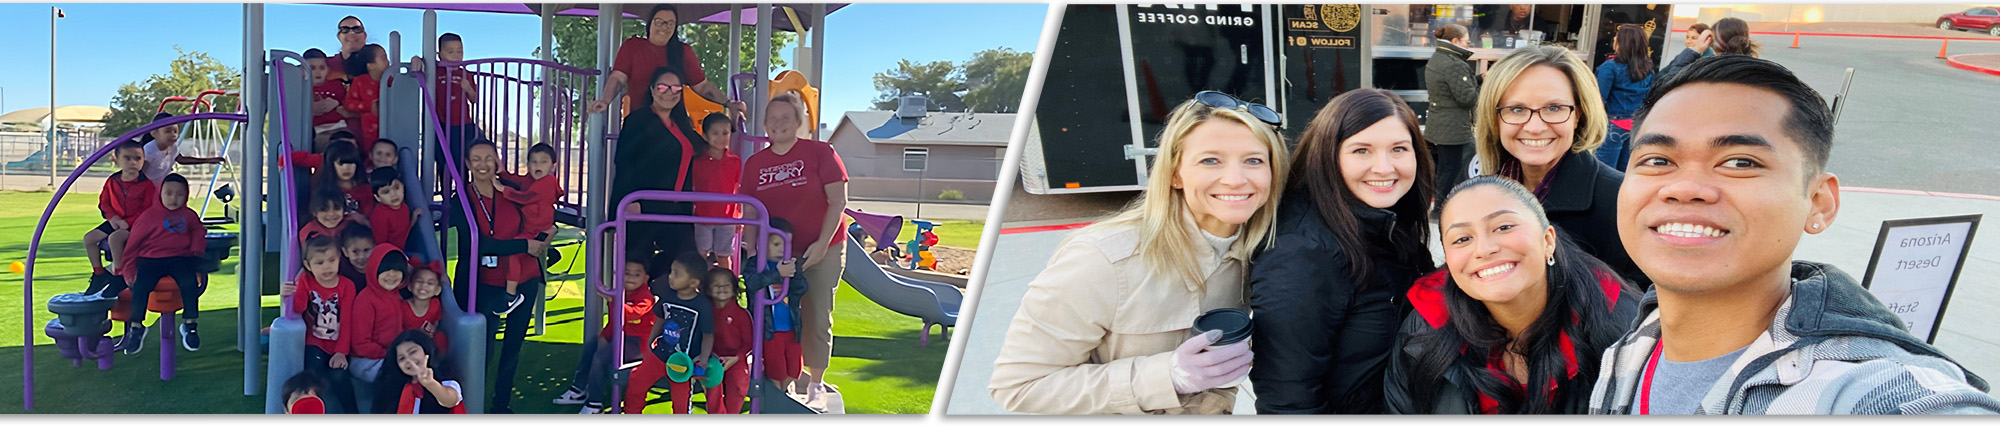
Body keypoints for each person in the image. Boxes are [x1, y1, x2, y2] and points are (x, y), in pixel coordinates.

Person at [1587, 54, 2000, 415]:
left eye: (1741, 162)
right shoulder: (1633, 348)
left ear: (1819, 202)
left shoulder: (1864, 389)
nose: (1684, 187)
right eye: (1658, 159)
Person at [989, 92, 1289, 414]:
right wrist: (1167, 376)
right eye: (1210, 160)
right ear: (1175, 174)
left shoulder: (1261, 253)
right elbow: (1018, 386)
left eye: (1254, 160)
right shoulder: (1101, 259)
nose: (1235, 179)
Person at [1248, 89, 1435, 414]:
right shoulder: (1303, 253)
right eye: (1362, 150)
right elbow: (1288, 399)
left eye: (1399, 149)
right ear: (1328, 156)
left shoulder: (1387, 221)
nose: (1384, 167)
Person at [1383, 176, 1639, 414]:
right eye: (1462, 239)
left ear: (1548, 240)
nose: (1484, 249)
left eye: (1504, 226)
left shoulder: (1625, 328)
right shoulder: (1423, 331)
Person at [1472, 46, 1646, 287]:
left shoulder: (1622, 200)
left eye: (1554, 108)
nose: (1534, 127)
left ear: (1579, 115)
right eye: (1517, 109)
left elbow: (1645, 304)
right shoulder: (1479, 191)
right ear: (1495, 118)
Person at [738, 92, 849, 401]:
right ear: (764, 124)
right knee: (775, 315)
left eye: (786, 118)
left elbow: (838, 201)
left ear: (799, 122)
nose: (779, 124)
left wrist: (822, 245)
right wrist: (752, 252)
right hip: (774, 254)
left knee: (815, 312)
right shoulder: (756, 163)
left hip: (821, 247)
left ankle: (815, 382)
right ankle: (783, 375)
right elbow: (748, 211)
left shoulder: (820, 152)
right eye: (772, 118)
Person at [447, 138, 545, 413]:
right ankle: (466, 405)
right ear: (467, 164)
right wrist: (524, 245)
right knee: (482, 348)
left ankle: (501, 405)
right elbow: (476, 244)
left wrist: (541, 239)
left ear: (497, 161)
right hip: (485, 285)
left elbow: (539, 215)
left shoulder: (512, 190)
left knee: (513, 346)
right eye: (476, 159)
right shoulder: (462, 198)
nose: (482, 165)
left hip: (523, 279)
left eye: (488, 158)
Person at [98, 174, 206, 354]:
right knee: (141, 287)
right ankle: (136, 327)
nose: (174, 198)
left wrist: (196, 254)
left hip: (180, 258)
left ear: (186, 195)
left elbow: (198, 232)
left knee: (189, 284)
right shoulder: (149, 216)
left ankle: (190, 325)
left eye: (179, 194)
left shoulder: (189, 215)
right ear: (160, 193)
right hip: (150, 259)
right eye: (169, 193)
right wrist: (129, 270)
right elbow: (133, 245)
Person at [610, 67, 700, 266]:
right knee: (636, 268)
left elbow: (706, 148)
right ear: (652, 90)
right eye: (662, 87)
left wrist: (732, 117)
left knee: (688, 266)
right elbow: (624, 162)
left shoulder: (682, 124)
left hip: (676, 207)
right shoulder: (638, 120)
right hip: (643, 205)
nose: (669, 92)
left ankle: (662, 296)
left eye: (676, 88)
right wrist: (628, 200)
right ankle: (639, 298)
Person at [589, 4, 744, 118]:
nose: (664, 27)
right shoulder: (633, 46)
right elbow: (617, 78)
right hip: (641, 121)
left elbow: (702, 87)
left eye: (670, 23)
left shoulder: (683, 51)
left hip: (675, 123)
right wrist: (605, 100)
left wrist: (729, 103)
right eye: (659, 21)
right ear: (650, 23)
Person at [552, 255, 656, 414]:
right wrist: (604, 337)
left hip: (638, 343)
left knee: (600, 357)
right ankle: (578, 388)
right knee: (591, 346)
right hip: (622, 337)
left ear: (645, 278)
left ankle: (595, 402)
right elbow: (614, 322)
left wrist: (614, 301)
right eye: (627, 273)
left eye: (637, 274)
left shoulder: (645, 297)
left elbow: (633, 314)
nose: (631, 278)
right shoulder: (621, 293)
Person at [626, 251, 715, 414]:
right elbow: (660, 318)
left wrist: (703, 357)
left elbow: (708, 334)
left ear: (693, 282)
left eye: (677, 274)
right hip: (660, 354)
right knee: (636, 380)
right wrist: (650, 342)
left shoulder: (702, 305)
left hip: (684, 363)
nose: (670, 277)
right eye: (672, 271)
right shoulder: (667, 296)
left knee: (680, 401)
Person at [290, 235, 358, 413]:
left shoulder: (346, 286)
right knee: (312, 370)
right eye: (319, 263)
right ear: (307, 265)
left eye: (331, 260)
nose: (327, 267)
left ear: (339, 260)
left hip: (338, 344)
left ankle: (353, 414)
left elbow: (348, 320)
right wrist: (291, 292)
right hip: (315, 342)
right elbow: (298, 308)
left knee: (340, 376)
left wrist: (341, 352)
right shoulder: (306, 281)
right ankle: (313, 411)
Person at [496, 143, 560, 316]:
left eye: (543, 162)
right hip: (534, 228)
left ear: (553, 166)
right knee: (525, 255)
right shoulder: (532, 180)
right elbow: (519, 180)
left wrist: (502, 189)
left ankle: (510, 295)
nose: (537, 166)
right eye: (533, 162)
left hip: (535, 231)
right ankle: (548, 251)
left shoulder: (547, 182)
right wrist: (502, 172)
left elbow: (526, 198)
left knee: (514, 251)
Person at [348, 244, 411, 413]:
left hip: (389, 355)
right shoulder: (365, 300)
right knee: (400, 374)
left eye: (397, 270)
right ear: (374, 269)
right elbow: (360, 344)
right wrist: (391, 354)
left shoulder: (396, 296)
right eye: (386, 270)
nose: (391, 275)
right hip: (365, 361)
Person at [85, 141, 154, 294]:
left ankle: (119, 275)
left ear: (143, 160)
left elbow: (147, 210)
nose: (133, 163)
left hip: (136, 224)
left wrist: (127, 222)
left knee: (115, 239)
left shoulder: (146, 185)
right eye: (127, 158)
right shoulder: (113, 181)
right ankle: (98, 273)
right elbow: (104, 202)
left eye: (137, 158)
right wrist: (113, 219)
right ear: (116, 159)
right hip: (115, 220)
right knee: (89, 239)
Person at [1424, 23, 1480, 209]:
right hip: (1452, 128)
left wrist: (1479, 79)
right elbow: (1467, 98)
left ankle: (1435, 204)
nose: (1468, 45)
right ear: (1455, 41)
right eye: (1466, 41)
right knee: (1451, 170)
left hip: (1437, 124)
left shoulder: (1438, 58)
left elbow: (1450, 87)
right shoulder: (1455, 64)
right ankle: (1441, 208)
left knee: (1441, 169)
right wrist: (1484, 89)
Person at [745, 218, 805, 392]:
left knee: (794, 368)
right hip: (770, 330)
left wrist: (794, 276)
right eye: (777, 244)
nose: (782, 249)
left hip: (792, 328)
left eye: (786, 244)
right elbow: (752, 283)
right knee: (776, 368)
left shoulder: (791, 264)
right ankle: (778, 395)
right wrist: (776, 273)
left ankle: (786, 391)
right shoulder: (756, 264)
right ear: (762, 243)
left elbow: (802, 289)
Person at [1593, 24, 1656, 172]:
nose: (1614, 39)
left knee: (1605, 172)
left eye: (1617, 37)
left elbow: (1599, 99)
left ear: (1623, 43)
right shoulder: (1648, 68)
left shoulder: (1609, 67)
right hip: (1634, 125)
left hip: (1613, 124)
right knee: (1625, 172)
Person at [690, 112, 743, 269]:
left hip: (726, 217)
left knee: (724, 254)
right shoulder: (697, 161)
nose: (721, 137)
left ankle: (728, 287)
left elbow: (737, 188)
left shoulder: (735, 161)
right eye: (715, 133)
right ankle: (699, 285)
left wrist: (739, 216)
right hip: (702, 216)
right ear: (705, 135)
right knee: (700, 253)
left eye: (725, 133)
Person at [374, 330, 466, 414]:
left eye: (412, 352)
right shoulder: (391, 385)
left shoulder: (444, 374)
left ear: (425, 349)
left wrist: (431, 384)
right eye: (402, 358)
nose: (409, 360)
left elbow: (450, 400)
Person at [705, 267, 753, 414]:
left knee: (738, 382)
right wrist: (711, 355)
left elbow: (749, 343)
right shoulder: (707, 312)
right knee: (711, 379)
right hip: (713, 357)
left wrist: (736, 358)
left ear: (734, 289)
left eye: (726, 285)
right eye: (716, 285)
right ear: (708, 290)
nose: (721, 289)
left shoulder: (741, 314)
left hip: (736, 359)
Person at [139, 112, 226, 183]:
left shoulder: (173, 147)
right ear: (154, 133)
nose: (173, 135)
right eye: (168, 131)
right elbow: (139, 173)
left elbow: (181, 159)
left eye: (175, 131)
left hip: (162, 185)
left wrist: (208, 160)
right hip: (148, 187)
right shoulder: (149, 150)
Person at [342, 43, 389, 145]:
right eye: (383, 58)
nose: (388, 62)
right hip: (369, 129)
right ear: (370, 65)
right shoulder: (360, 81)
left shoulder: (391, 81)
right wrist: (368, 106)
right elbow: (348, 103)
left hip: (391, 125)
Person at [403, 260, 449, 357]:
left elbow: (436, 322)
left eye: (430, 283)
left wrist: (432, 329)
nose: (424, 286)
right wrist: (417, 333)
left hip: (427, 344)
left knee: (440, 338)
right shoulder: (402, 307)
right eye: (419, 281)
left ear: (437, 290)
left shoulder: (435, 305)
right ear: (410, 286)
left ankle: (436, 364)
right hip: (407, 343)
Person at [303, 48, 349, 147]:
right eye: (312, 68)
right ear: (303, 69)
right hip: (319, 131)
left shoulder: (337, 85)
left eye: (322, 68)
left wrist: (336, 103)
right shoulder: (301, 89)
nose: (318, 72)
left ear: (328, 70)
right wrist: (310, 109)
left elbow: (347, 104)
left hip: (342, 127)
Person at [367, 167, 415, 251]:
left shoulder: (404, 207)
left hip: (403, 250)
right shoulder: (380, 215)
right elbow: (381, 244)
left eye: (396, 187)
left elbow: (403, 234)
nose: (393, 194)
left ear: (403, 186)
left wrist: (414, 219)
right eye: (386, 192)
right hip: (389, 254)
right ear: (377, 197)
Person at [325, 16, 367, 83]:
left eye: (357, 29)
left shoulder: (377, 64)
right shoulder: (325, 65)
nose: (351, 33)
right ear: (339, 36)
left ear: (365, 35)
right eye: (345, 29)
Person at [338, 224, 375, 288]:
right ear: (345, 252)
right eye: (355, 251)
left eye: (366, 250)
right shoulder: (341, 269)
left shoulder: (379, 270)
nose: (361, 257)